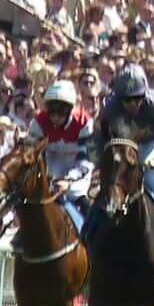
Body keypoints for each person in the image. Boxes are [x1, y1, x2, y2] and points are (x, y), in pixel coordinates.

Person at [92, 64, 154, 248]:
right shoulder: (109, 110)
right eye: (128, 100)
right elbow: (96, 142)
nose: (133, 104)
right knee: (111, 182)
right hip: (122, 145)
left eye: (138, 98)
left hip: (151, 144)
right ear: (119, 98)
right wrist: (101, 163)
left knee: (153, 180)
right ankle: (90, 226)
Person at [27, 78, 94, 234]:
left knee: (79, 196)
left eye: (61, 112)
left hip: (76, 164)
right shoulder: (38, 122)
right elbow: (33, 154)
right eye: (52, 112)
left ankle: (93, 236)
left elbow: (86, 159)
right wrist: (47, 177)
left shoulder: (84, 123)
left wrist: (69, 181)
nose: (55, 117)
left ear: (70, 110)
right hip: (52, 160)